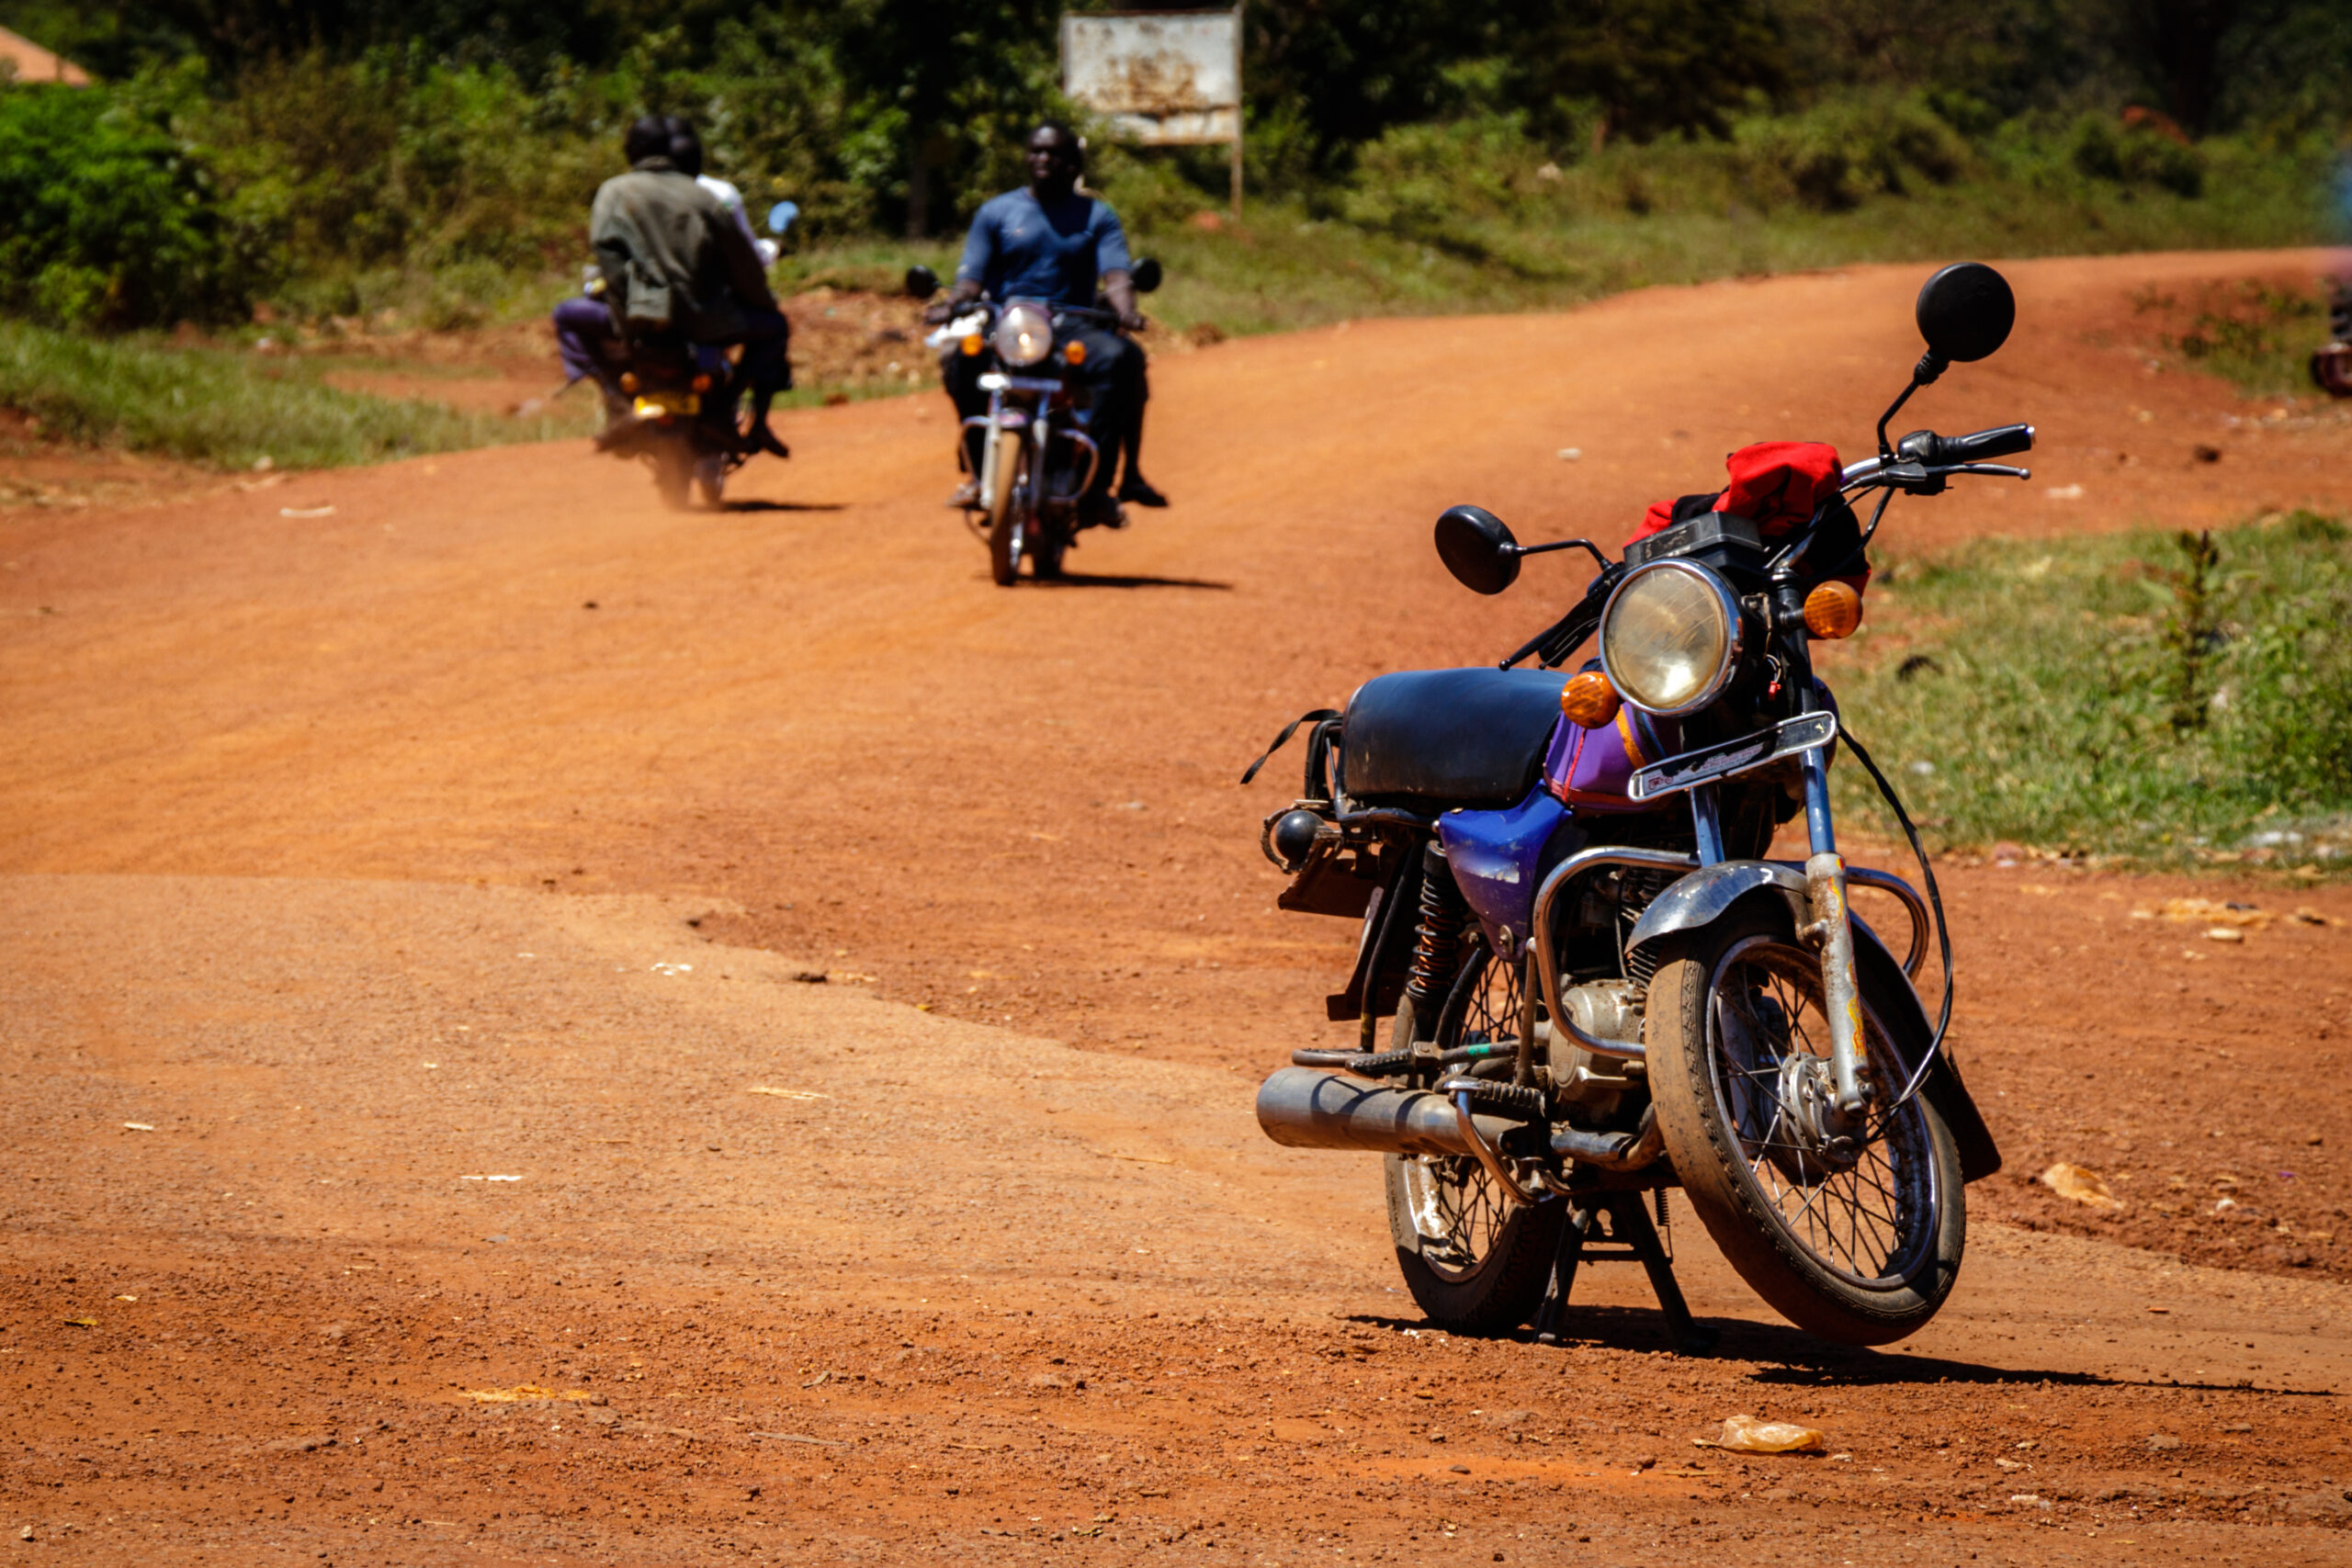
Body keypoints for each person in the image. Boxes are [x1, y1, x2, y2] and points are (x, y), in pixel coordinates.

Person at [925, 122, 1166, 521]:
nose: (1042, 159)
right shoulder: (996, 212)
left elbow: (1117, 275)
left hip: (1072, 323)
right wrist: (951, 305)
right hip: (1008, 321)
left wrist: (1126, 310)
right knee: (960, 358)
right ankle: (978, 470)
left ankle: (1097, 487)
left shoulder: (1097, 216)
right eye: (1035, 151)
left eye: (1053, 153)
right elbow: (971, 278)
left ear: (1074, 165)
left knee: (1121, 359)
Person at [567, 114, 791, 457]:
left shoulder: (612, 192)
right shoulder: (703, 197)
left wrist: (623, 311)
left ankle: (615, 400)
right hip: (706, 321)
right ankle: (726, 408)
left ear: (631, 151)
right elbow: (742, 263)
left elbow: (608, 257)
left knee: (567, 316)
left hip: (637, 320)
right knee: (774, 326)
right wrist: (762, 303)